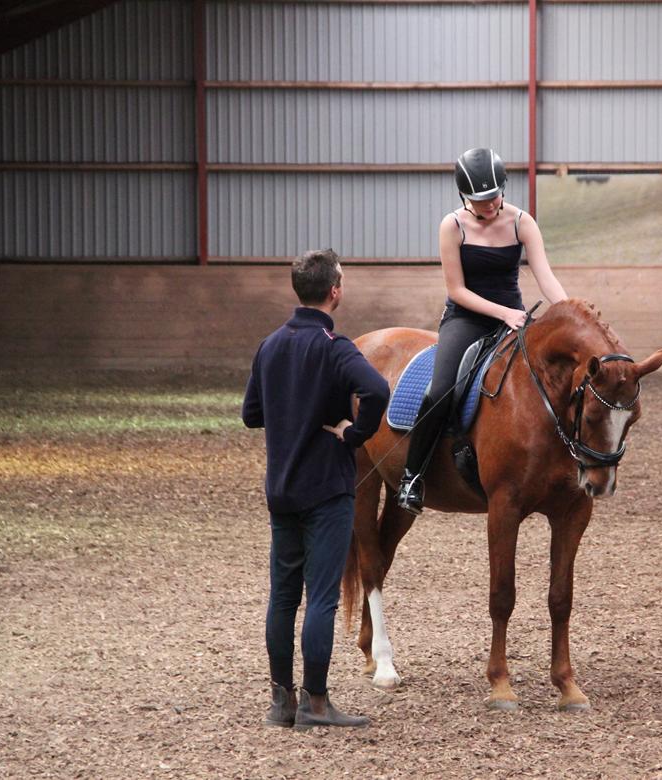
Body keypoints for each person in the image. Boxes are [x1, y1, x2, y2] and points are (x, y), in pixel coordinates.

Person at [242, 249, 390, 729]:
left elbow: (251, 414)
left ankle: (281, 702)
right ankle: (317, 703)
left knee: (282, 596)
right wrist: (353, 433)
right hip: (326, 489)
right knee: (321, 597)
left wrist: (290, 413)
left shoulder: (269, 345)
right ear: (334, 290)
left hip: (281, 489)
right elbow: (378, 392)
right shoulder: (335, 346)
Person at [396, 147, 569, 515]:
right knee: (440, 390)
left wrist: (569, 312)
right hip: (466, 318)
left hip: (515, 318)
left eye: (493, 197)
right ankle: (413, 475)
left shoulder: (523, 222)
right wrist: (504, 312)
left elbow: (545, 275)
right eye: (479, 200)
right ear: (464, 197)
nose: (489, 206)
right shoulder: (452, 226)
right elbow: (457, 289)